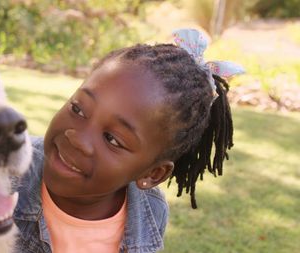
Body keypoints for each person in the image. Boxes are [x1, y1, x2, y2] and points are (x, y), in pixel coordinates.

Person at [13, 29, 244, 253]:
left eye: (112, 139)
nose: (78, 139)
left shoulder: (150, 213)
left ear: (152, 174)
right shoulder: (4, 170)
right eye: (78, 109)